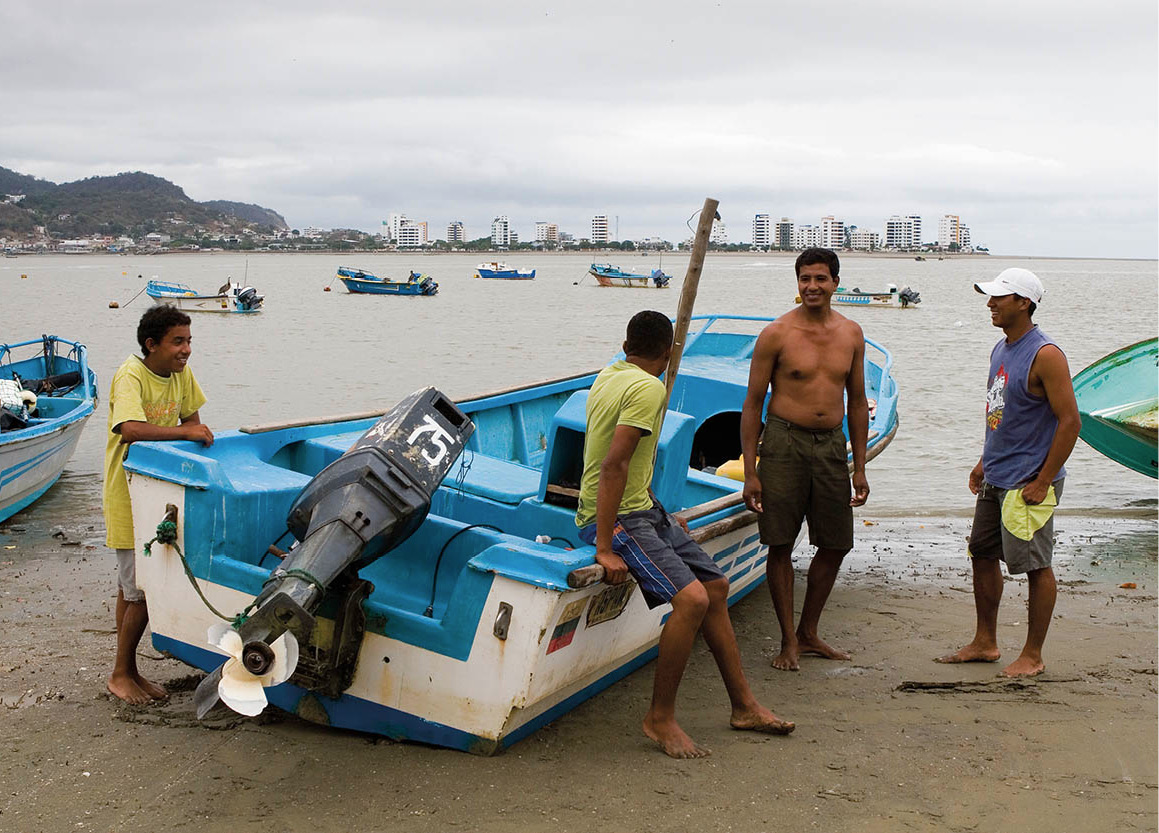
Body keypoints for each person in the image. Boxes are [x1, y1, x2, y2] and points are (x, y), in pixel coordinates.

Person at [576, 310, 794, 758]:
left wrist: (661, 510)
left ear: (626, 344)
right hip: (619, 518)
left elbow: (627, 464)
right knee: (691, 600)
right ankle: (659, 717)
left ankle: (744, 706)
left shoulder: (610, 374)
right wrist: (602, 545)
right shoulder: (649, 387)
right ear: (670, 350)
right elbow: (613, 464)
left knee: (715, 586)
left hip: (642, 509)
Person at [937, 267, 1079, 677]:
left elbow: (1070, 422)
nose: (990, 304)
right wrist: (984, 461)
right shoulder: (1001, 349)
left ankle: (1032, 655)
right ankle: (985, 642)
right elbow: (1002, 415)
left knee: (1036, 565)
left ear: (1024, 302)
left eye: (1000, 297)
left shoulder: (1046, 354)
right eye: (990, 296)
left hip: (1029, 482)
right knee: (981, 554)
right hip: (997, 475)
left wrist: (1042, 480)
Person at [740, 247, 870, 671]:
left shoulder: (851, 333)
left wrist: (860, 467)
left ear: (835, 283)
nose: (812, 286)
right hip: (783, 442)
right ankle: (787, 641)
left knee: (835, 543)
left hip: (832, 445)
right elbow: (752, 404)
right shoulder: (776, 334)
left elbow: (856, 403)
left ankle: (809, 631)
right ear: (797, 283)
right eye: (804, 279)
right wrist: (750, 471)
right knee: (779, 542)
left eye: (820, 279)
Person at [103, 305, 214, 704]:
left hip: (162, 494)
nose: (185, 350)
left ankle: (129, 670)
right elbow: (130, 429)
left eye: (188, 341)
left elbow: (194, 427)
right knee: (141, 590)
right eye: (177, 342)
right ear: (152, 345)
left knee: (133, 588)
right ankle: (120, 673)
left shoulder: (181, 374)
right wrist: (185, 431)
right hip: (127, 495)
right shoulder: (130, 374)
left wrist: (192, 435)